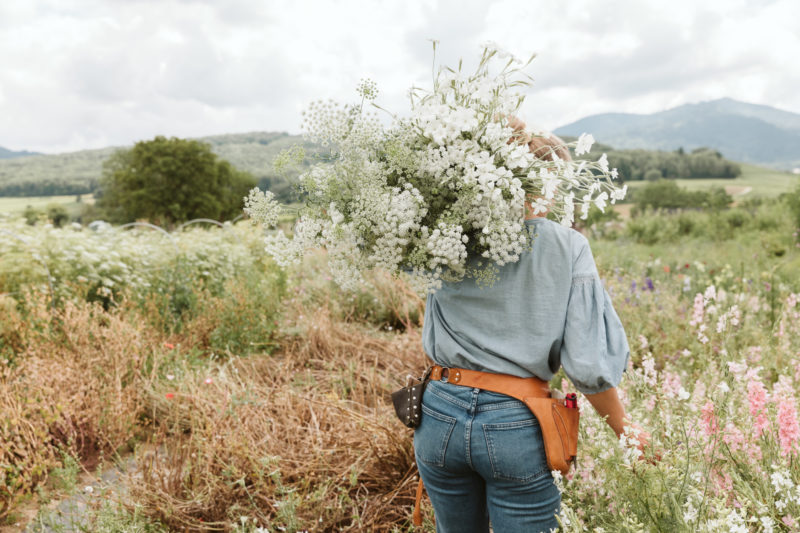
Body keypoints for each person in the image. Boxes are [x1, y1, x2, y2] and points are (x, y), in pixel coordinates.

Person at [413, 123, 649, 532]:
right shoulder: (567, 246)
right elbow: (587, 362)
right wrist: (624, 431)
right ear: (544, 181)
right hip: (516, 422)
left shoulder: (447, 236)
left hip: (438, 416)